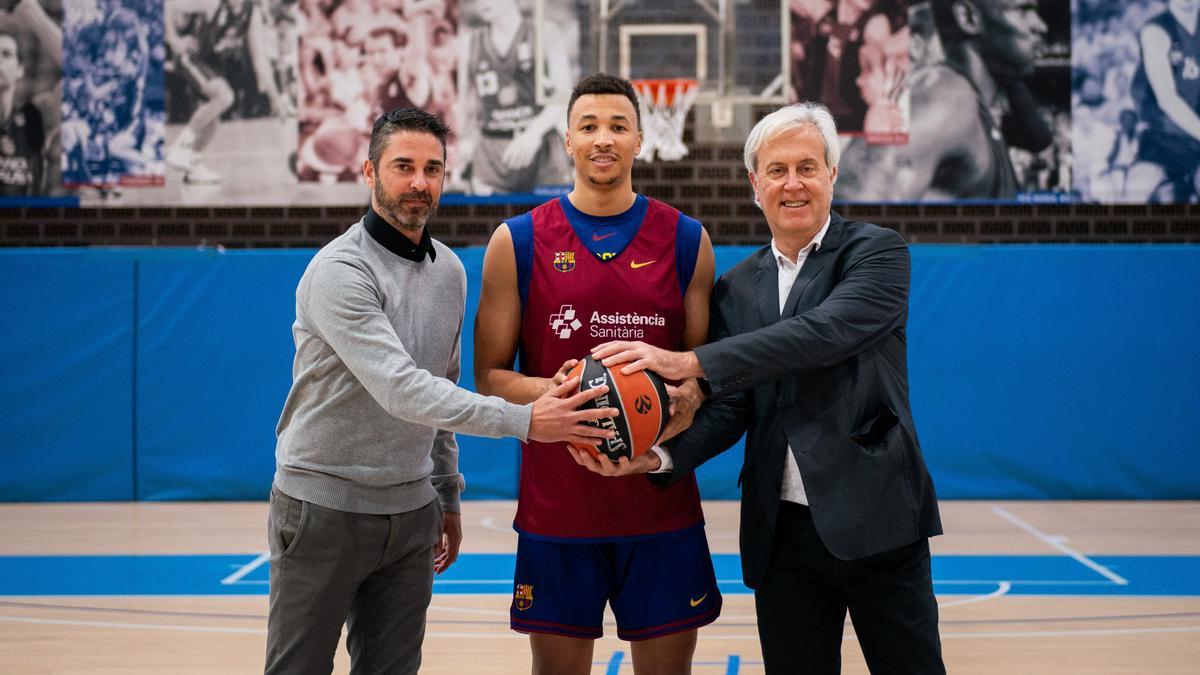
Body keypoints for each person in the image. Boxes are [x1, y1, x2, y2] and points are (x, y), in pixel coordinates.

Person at [581, 102, 945, 674]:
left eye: (807, 167)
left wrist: (692, 360)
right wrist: (657, 456)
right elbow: (733, 407)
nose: (792, 183)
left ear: (832, 174)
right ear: (755, 184)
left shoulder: (876, 254)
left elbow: (820, 335)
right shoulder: (737, 287)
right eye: (777, 170)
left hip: (879, 518)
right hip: (783, 536)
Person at [265, 108, 621, 675]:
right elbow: (403, 390)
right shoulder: (340, 271)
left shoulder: (450, 270)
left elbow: (443, 385)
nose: (419, 182)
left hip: (410, 513)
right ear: (369, 172)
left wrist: (447, 495)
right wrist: (527, 420)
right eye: (403, 166)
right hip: (324, 509)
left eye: (433, 169)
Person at [473, 73, 720, 674]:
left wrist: (684, 397)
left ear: (641, 140)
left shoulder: (687, 240)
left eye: (617, 126)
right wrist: (567, 395)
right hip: (559, 509)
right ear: (568, 140)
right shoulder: (518, 241)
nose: (602, 139)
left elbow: (704, 373)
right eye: (589, 127)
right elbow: (488, 375)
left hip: (659, 508)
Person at [838, 0, 1051, 200]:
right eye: (1024, 9)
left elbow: (1039, 137)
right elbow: (852, 195)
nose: (1041, 25)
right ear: (967, 17)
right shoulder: (946, 96)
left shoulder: (975, 99)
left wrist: (1010, 66)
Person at [456, 0, 572, 195]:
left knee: (553, 222)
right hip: (492, 154)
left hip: (541, 146)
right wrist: (462, 143)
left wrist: (532, 133)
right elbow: (463, 102)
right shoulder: (469, 43)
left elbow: (563, 95)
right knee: (492, 221)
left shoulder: (546, 33)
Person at [164, 0, 282, 184]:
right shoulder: (211, 3)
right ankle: (180, 146)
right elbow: (168, 4)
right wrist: (173, 39)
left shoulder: (251, 13)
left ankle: (193, 165)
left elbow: (260, 60)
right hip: (191, 58)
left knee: (212, 121)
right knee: (224, 96)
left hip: (212, 64)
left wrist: (275, 97)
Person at [1126, 0, 1200, 202]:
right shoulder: (1156, 30)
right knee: (1136, 193)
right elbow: (1167, 100)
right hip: (1164, 138)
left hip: (1197, 144)